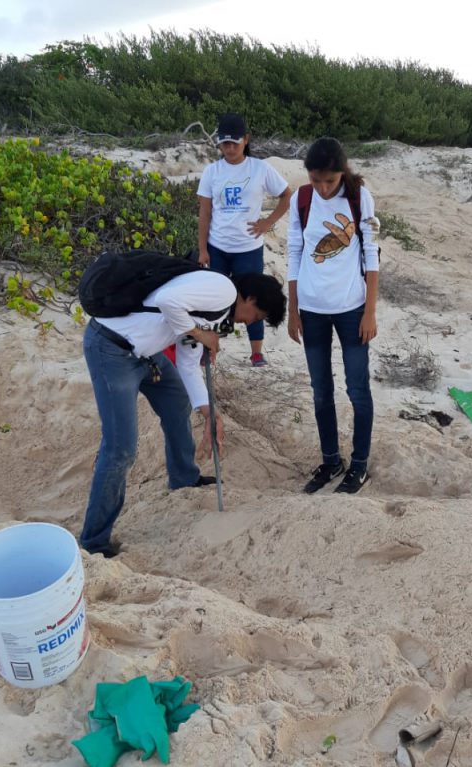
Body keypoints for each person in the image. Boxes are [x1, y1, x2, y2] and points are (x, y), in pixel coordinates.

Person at [80, 269, 286, 556]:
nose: (250, 322)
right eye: (257, 315)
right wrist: (201, 333)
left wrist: (209, 413)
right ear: (249, 298)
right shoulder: (223, 290)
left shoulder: (216, 315)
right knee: (120, 449)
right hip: (112, 350)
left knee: (178, 401)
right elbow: (167, 300)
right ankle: (93, 542)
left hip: (147, 355)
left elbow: (188, 365)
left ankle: (184, 478)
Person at [286, 137, 380, 495]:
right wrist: (293, 310)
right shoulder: (302, 199)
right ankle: (330, 460)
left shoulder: (359, 198)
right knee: (320, 390)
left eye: (330, 180)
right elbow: (295, 252)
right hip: (312, 310)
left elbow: (371, 255)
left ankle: (358, 465)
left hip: (351, 309)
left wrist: (369, 312)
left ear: (342, 172)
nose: (323, 189)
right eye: (316, 180)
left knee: (357, 389)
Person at [198, 113, 293, 367]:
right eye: (224, 143)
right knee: (213, 300)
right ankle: (208, 348)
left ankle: (256, 352)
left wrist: (266, 223)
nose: (229, 148)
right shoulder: (212, 171)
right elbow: (204, 212)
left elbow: (286, 195)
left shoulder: (260, 168)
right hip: (218, 246)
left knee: (255, 298)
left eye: (234, 143)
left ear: (246, 140)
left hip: (248, 248)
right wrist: (202, 249)